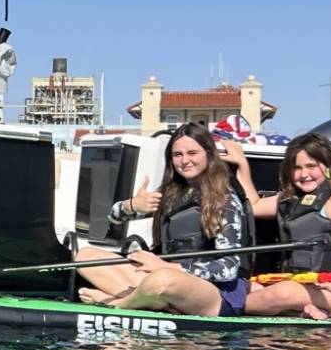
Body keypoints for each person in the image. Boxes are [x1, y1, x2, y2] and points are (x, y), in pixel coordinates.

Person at [75, 121, 252, 316]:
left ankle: (118, 303)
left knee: (162, 279)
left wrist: (171, 267)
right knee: (85, 257)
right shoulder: (171, 194)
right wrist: (131, 205)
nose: (185, 161)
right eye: (177, 155)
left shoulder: (225, 198)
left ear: (209, 155)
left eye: (193, 153)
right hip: (164, 277)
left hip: (214, 291)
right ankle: (151, 301)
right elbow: (113, 218)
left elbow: (230, 267)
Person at [218, 134, 331, 318]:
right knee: (250, 286)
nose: (304, 174)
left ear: (329, 167)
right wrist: (242, 165)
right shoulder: (290, 200)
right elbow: (254, 206)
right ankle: (307, 310)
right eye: (297, 168)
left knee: (285, 293)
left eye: (311, 166)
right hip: (307, 286)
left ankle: (217, 307)